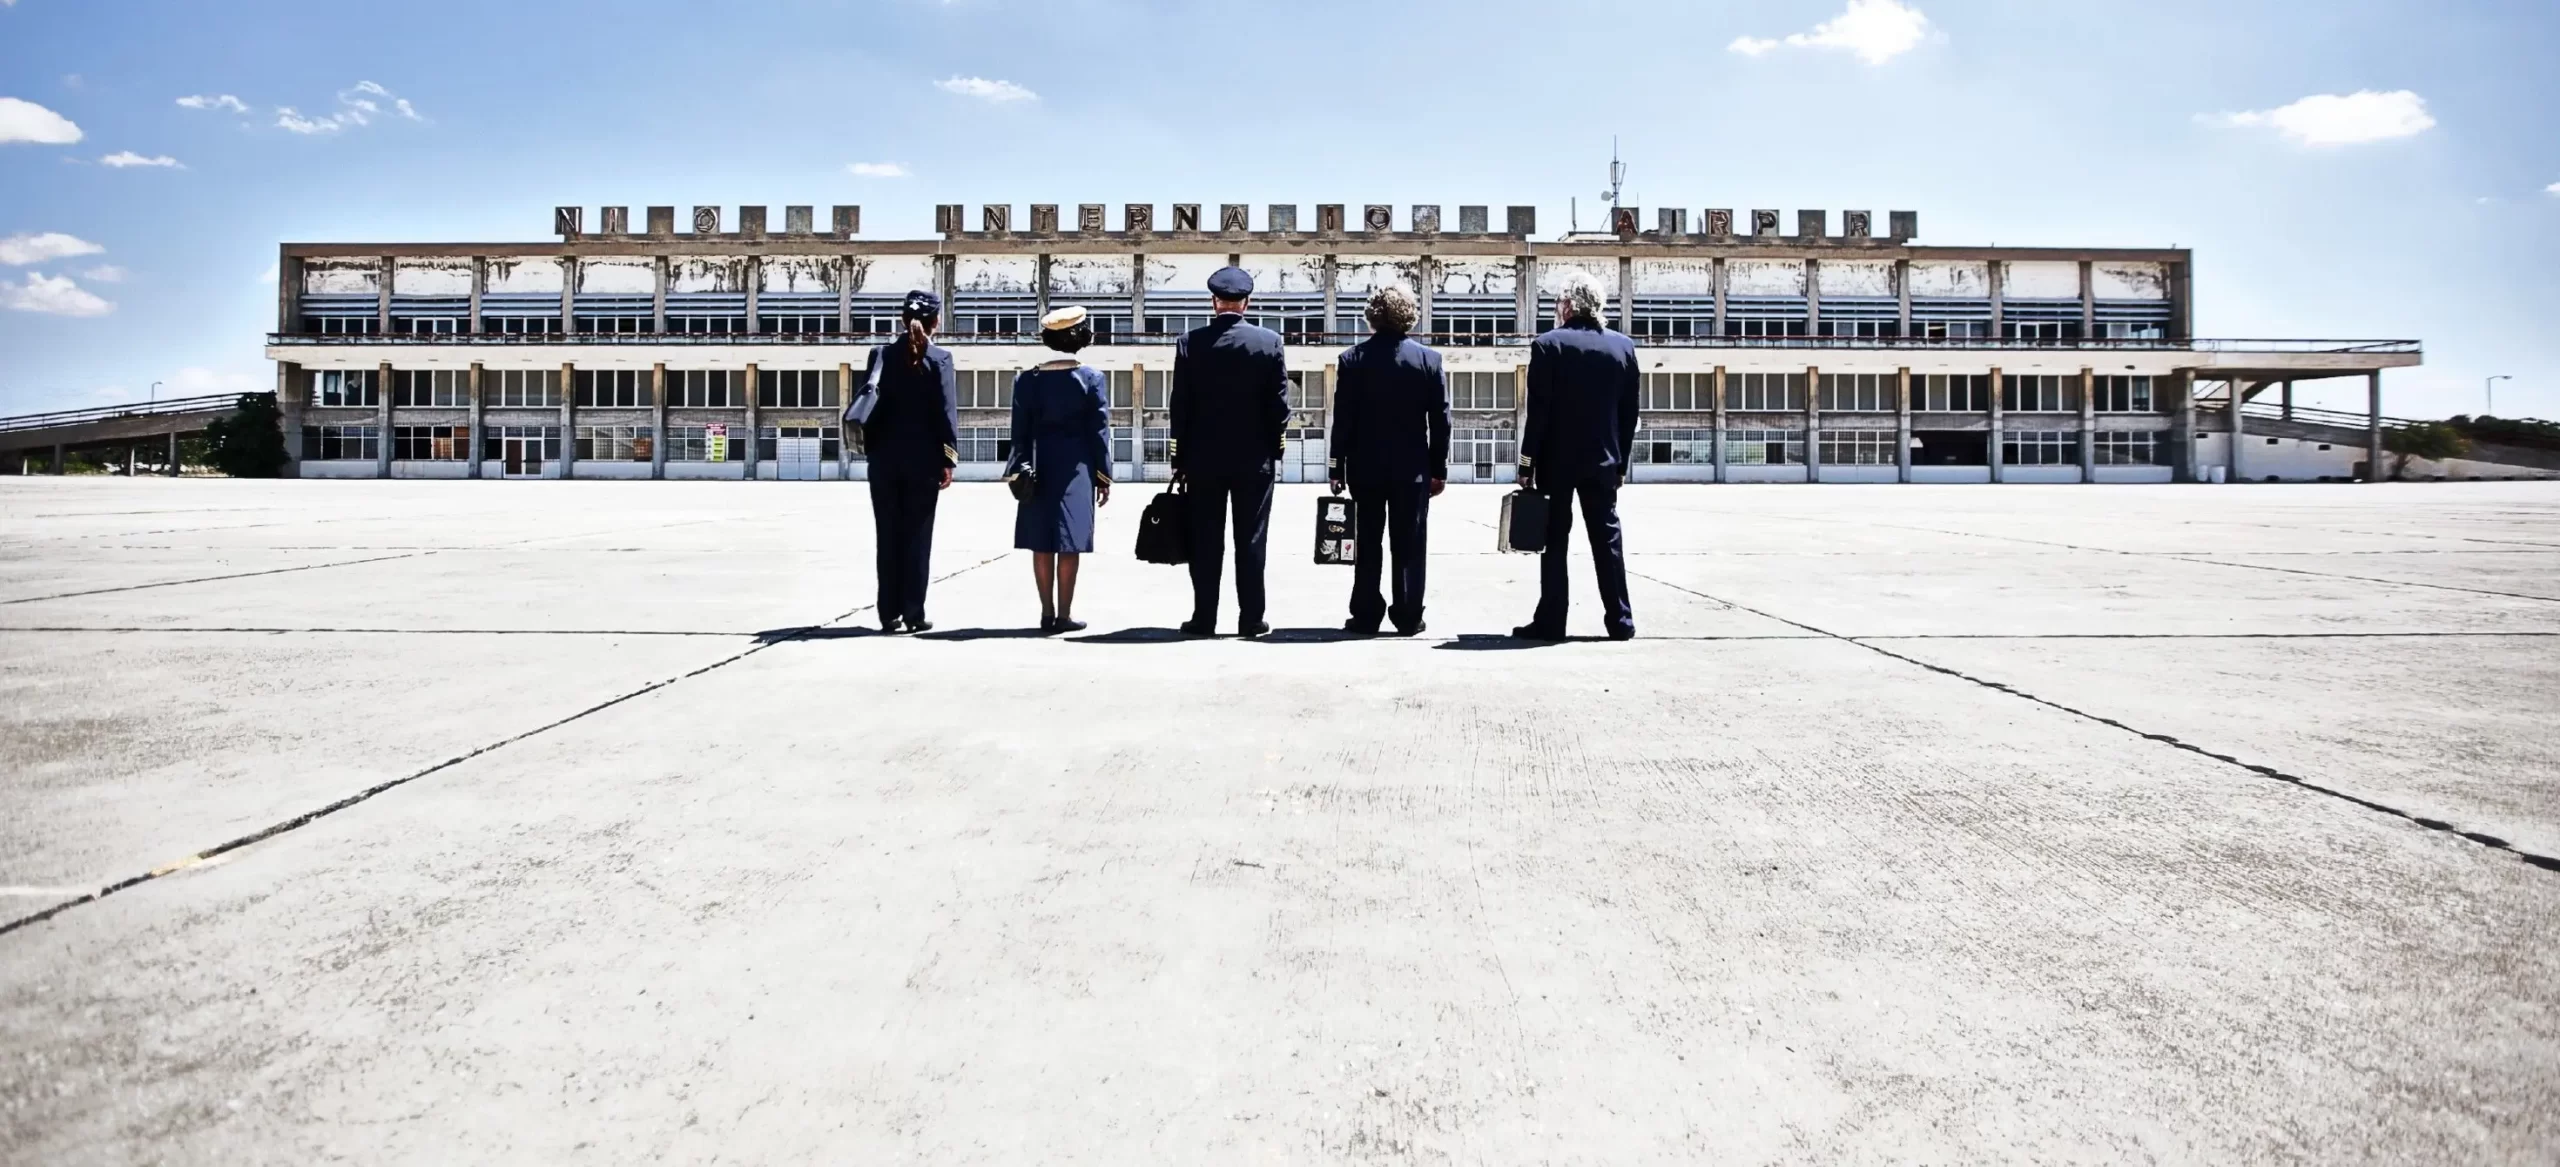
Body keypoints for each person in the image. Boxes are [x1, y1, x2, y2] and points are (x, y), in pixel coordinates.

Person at [1514, 271, 1639, 641]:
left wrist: (1527, 464)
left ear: (1568, 305)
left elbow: (1538, 412)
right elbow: (1629, 415)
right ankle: (1620, 620)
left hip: (1557, 464)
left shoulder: (1547, 345)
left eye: (1558, 303)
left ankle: (1552, 621)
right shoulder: (1623, 347)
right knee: (1608, 541)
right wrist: (1621, 464)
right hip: (1603, 462)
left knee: (1555, 542)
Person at [1169, 265, 1291, 638]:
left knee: (1206, 540)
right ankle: (1251, 619)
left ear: (1214, 302)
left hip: (1203, 461)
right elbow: (1280, 406)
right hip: (1254, 460)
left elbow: (1181, 406)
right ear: (1246, 303)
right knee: (1251, 539)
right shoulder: (1269, 342)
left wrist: (1180, 457)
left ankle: (1204, 619)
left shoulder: (1190, 343)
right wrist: (1275, 449)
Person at [1328, 285, 1450, 636]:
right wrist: (1438, 470)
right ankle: (1409, 614)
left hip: (1365, 469)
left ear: (1373, 317)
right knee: (1409, 543)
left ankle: (1366, 614)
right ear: (1408, 316)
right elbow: (1440, 421)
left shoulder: (1352, 359)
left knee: (1367, 542)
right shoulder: (1429, 360)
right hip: (1412, 470)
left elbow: (1344, 419)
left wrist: (1337, 468)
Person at [1004, 306, 1113, 633]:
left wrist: (1017, 470)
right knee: (1069, 542)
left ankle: (1046, 613)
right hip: (1076, 468)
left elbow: (1017, 433)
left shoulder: (1027, 379)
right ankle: (1064, 616)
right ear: (1078, 338)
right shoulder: (1091, 378)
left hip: (1037, 467)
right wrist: (1103, 475)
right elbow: (1099, 431)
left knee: (1041, 542)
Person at [860, 289, 959, 634]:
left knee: (887, 536)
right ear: (936, 322)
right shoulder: (941, 358)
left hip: (884, 461)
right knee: (917, 537)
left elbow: (868, 407)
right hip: (924, 463)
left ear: (902, 320)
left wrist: (873, 451)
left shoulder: (879, 355)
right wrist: (948, 459)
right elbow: (946, 413)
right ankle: (914, 613)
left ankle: (889, 613)